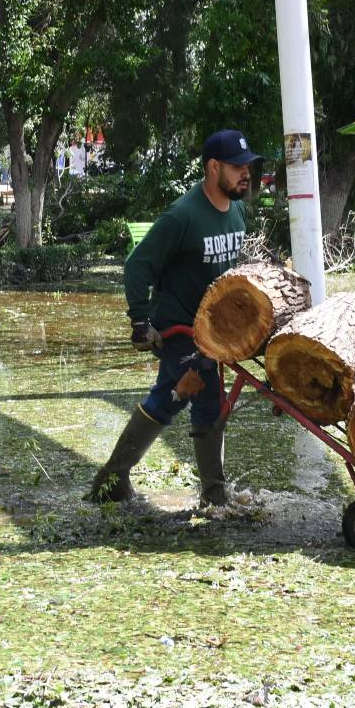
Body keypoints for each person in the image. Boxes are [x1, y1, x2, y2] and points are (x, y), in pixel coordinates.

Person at [88, 129, 260, 507]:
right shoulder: (182, 216)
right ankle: (213, 497)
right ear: (213, 167)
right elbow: (138, 266)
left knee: (172, 399)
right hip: (178, 325)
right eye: (237, 167)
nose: (246, 174)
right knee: (199, 392)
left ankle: (113, 478)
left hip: (215, 329)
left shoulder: (238, 212)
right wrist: (138, 321)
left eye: (248, 166)